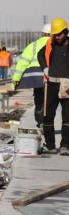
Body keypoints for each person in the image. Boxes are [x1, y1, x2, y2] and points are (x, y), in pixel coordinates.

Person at [38, 17, 69, 155]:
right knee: (47, 116)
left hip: (67, 84)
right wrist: (44, 67)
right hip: (51, 83)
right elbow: (40, 55)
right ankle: (50, 145)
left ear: (65, 32)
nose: (56, 37)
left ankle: (65, 146)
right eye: (54, 34)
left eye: (59, 34)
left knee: (67, 117)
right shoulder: (51, 44)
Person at [13, 23, 51, 132]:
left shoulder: (33, 45)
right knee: (50, 101)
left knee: (39, 101)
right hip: (50, 76)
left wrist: (16, 78)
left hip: (35, 78)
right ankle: (47, 123)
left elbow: (22, 63)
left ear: (43, 33)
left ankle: (40, 123)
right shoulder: (55, 44)